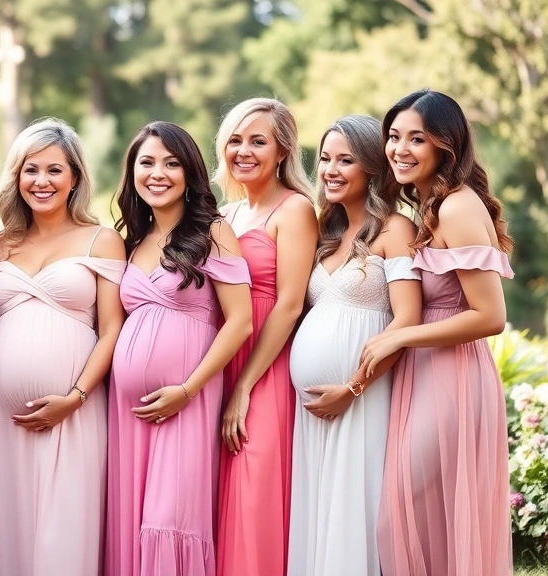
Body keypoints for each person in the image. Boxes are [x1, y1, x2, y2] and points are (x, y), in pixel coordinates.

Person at [363, 89, 514, 576]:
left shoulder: (456, 207)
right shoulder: (430, 205)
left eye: (417, 139)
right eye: (393, 136)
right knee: (424, 518)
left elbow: (490, 316)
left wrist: (401, 336)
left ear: (445, 146)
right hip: (424, 374)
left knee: (398, 515)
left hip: (452, 377)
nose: (399, 149)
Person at [105, 121, 253, 576]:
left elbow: (241, 320)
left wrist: (187, 390)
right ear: (132, 172)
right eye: (146, 162)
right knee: (133, 523)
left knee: (173, 519)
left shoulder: (214, 231)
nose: (158, 173)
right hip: (128, 411)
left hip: (186, 400)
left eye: (171, 163)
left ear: (190, 172)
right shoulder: (132, 241)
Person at [0, 118, 126, 576]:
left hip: (76, 412)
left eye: (54, 171)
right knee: (15, 536)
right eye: (30, 170)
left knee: (66, 534)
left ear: (75, 178)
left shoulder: (100, 239)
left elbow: (111, 330)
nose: (41, 181)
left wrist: (76, 397)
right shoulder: (0, 245)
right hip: (5, 420)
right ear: (16, 176)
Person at [287, 115, 421, 576]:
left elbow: (406, 321)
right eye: (325, 158)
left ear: (372, 168)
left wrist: (353, 387)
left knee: (352, 511)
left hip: (361, 400)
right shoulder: (325, 232)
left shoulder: (395, 230)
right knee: (318, 512)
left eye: (346, 160)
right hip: (314, 410)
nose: (330, 169)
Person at [214, 97, 318, 576]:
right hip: (223, 359)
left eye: (259, 141)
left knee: (255, 491)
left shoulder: (295, 210)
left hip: (266, 367)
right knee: (222, 492)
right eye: (235, 139)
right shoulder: (227, 216)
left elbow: (290, 304)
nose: (244, 150)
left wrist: (244, 386)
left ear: (282, 152)